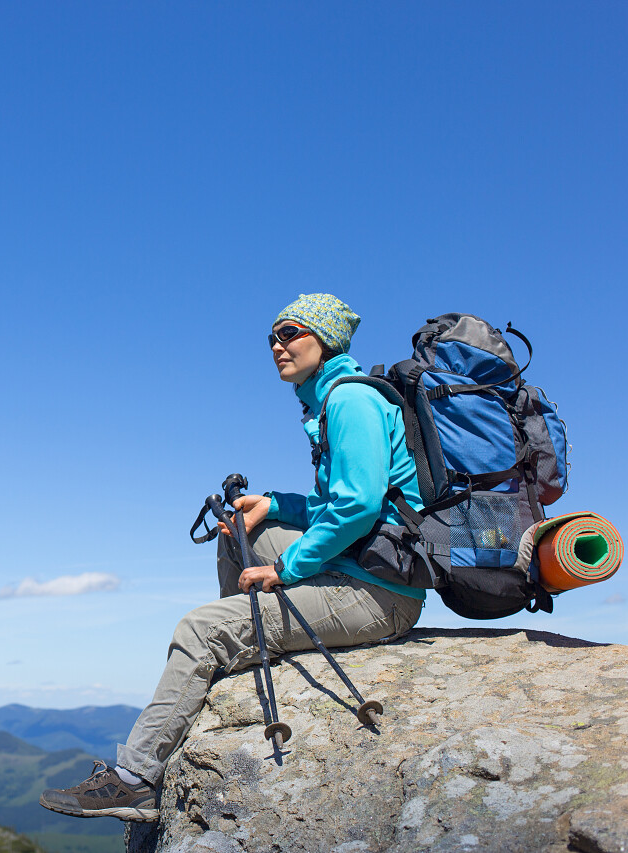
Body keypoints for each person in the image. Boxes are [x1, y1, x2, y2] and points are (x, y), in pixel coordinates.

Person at [38, 293, 426, 822]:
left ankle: (135, 780)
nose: (276, 346)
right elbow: (345, 501)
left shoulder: (349, 402)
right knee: (237, 531)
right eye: (272, 337)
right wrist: (274, 504)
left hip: (381, 592)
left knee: (199, 629)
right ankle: (247, 636)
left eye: (290, 333)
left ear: (326, 338)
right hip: (363, 564)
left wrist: (288, 570)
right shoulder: (331, 398)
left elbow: (357, 506)